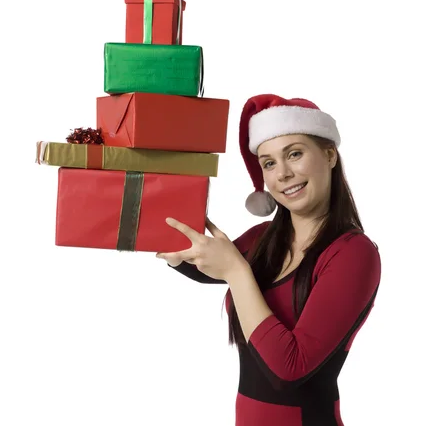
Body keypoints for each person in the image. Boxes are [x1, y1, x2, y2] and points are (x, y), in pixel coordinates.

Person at [156, 94, 381, 426]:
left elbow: (289, 369)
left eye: (295, 154)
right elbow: (199, 262)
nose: (283, 174)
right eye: (269, 163)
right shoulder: (264, 238)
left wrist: (235, 269)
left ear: (329, 154)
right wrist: (150, 194)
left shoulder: (353, 253)